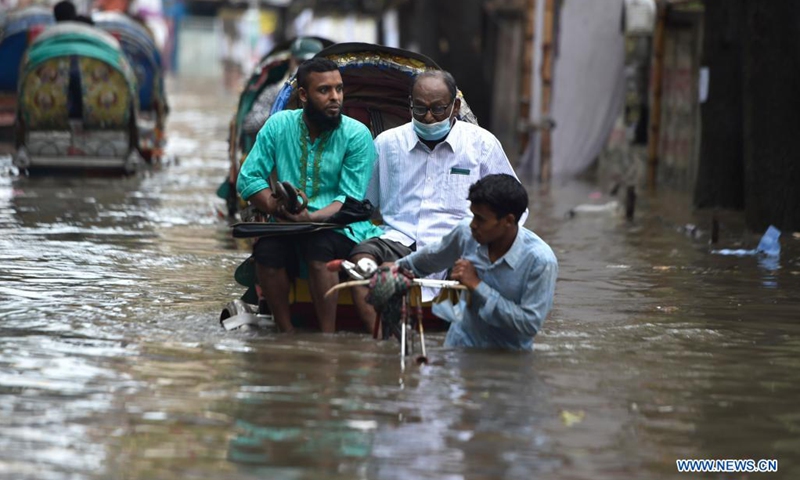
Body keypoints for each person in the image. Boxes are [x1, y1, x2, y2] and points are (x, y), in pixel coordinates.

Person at [349, 70, 524, 331]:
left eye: (437, 109)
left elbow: (515, 204)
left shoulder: (482, 144)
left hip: (461, 244)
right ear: (410, 105)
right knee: (360, 258)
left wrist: (495, 246)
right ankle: (380, 336)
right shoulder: (387, 144)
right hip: (400, 239)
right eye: (419, 109)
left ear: (455, 107)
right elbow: (364, 204)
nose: (428, 117)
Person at [236, 58, 379, 334]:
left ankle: (326, 336)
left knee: (319, 246)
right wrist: (273, 205)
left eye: (339, 89)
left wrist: (309, 217)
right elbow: (248, 178)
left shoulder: (357, 135)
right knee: (266, 251)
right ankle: (286, 331)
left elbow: (347, 200)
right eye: (324, 90)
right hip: (287, 222)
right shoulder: (278, 125)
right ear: (303, 95)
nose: (335, 97)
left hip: (340, 225)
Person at [395, 174, 558, 350]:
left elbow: (529, 324)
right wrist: (394, 270)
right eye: (473, 216)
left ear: (508, 221)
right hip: (459, 346)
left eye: (480, 219)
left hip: (508, 359)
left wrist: (477, 285)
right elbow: (428, 260)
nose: (473, 224)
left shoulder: (541, 261)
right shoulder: (466, 233)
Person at [242, 37, 325, 136]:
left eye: (311, 63)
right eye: (300, 62)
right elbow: (249, 125)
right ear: (291, 62)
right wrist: (279, 108)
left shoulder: (330, 93)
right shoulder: (274, 91)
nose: (304, 68)